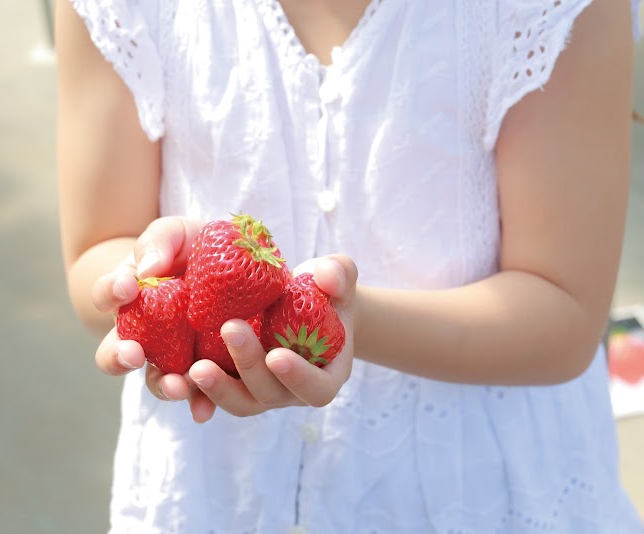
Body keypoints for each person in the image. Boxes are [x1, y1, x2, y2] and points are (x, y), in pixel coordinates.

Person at [55, 0, 644, 531]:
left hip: (476, 490)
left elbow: (564, 313)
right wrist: (154, 286)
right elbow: (95, 253)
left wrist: (348, 322)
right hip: (212, 490)